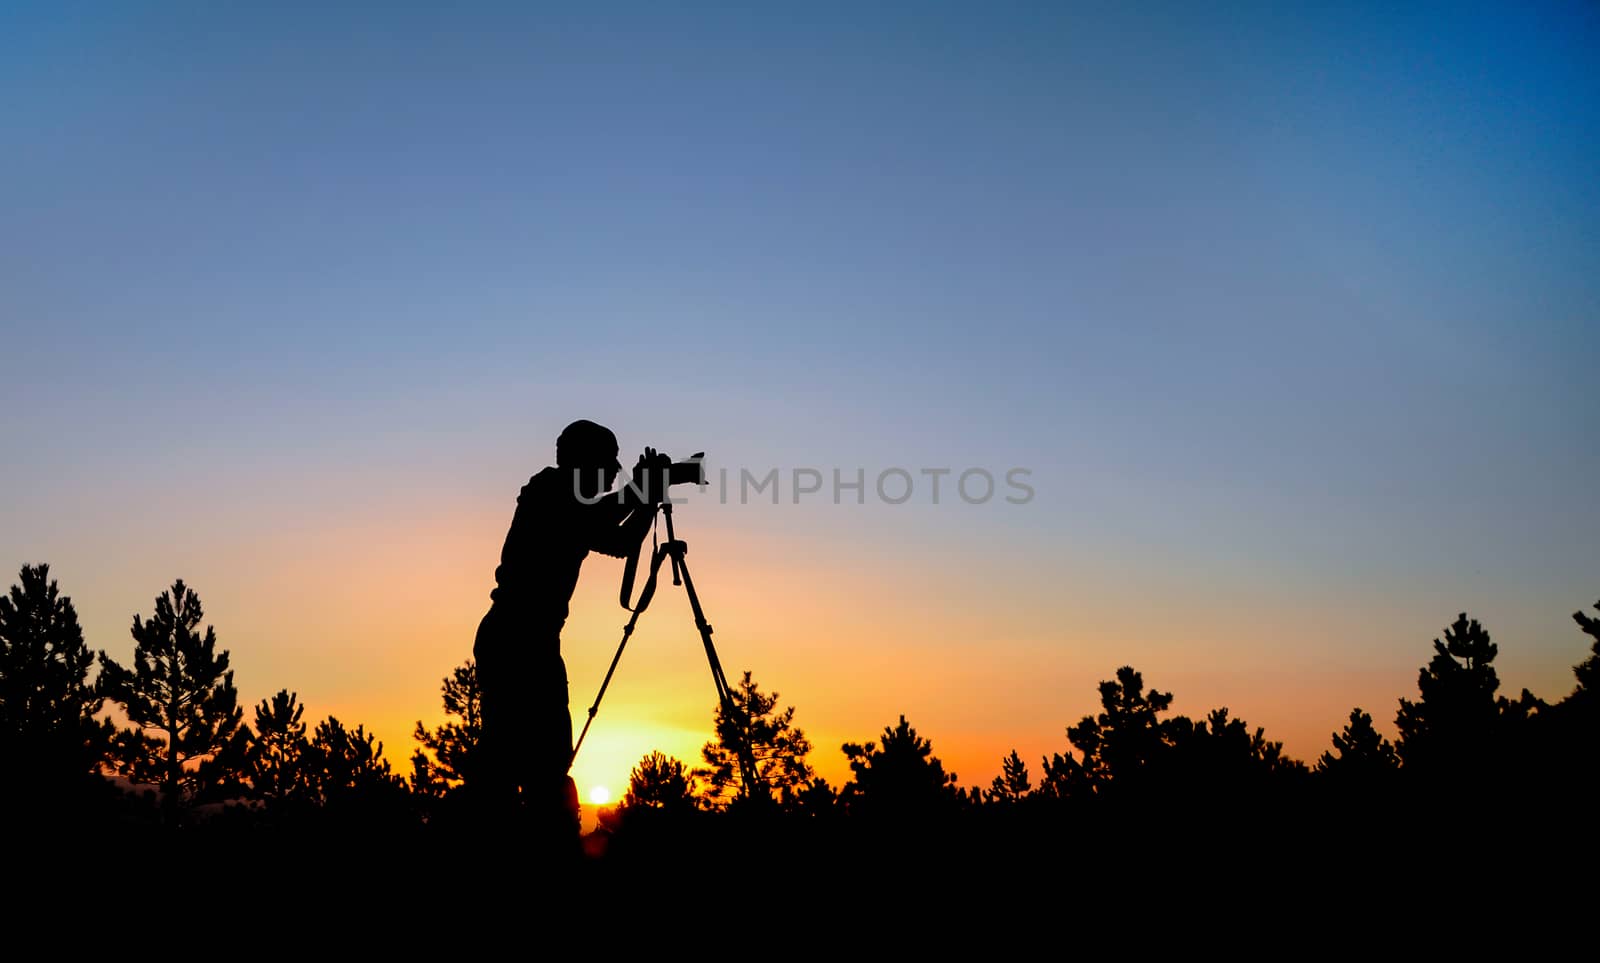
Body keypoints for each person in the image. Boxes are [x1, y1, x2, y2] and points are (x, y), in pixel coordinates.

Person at [473, 419, 666, 849]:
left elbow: (615, 533)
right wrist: (645, 491)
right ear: (584, 462)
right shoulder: (551, 493)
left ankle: (533, 844)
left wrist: (646, 497)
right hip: (518, 641)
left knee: (542, 763)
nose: (614, 471)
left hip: (528, 639)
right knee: (516, 768)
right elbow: (609, 527)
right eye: (608, 463)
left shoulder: (559, 497)